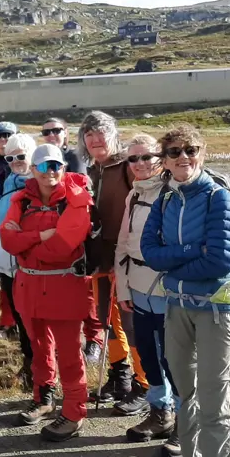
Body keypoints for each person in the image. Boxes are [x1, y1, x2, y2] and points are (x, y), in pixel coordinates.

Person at [142, 125, 230, 457]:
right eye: (174, 152)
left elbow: (221, 259)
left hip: (216, 311)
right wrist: (187, 254)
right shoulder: (165, 200)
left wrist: (176, 268)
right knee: (186, 390)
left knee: (214, 399)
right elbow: (151, 252)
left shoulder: (220, 198)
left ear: (201, 154)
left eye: (190, 150)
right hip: (178, 307)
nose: (183, 158)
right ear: (164, 160)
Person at [0, 145, 94, 441]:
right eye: (43, 166)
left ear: (64, 167)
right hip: (29, 288)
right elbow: (6, 240)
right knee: (39, 348)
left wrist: (25, 244)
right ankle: (44, 398)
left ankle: (73, 413)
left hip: (64, 287)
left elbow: (63, 245)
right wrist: (39, 236)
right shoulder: (21, 199)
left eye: (55, 165)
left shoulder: (76, 198)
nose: (50, 171)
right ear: (33, 169)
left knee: (68, 354)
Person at [78, 110, 149, 416]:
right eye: (89, 135)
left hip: (129, 259)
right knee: (109, 320)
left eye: (101, 133)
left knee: (132, 322)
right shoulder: (91, 171)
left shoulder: (127, 167)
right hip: (101, 259)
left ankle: (145, 383)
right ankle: (120, 375)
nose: (95, 139)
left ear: (113, 134)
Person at [114, 134, 178, 447]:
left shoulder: (174, 191)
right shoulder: (134, 194)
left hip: (167, 289)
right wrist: (123, 287)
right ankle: (160, 412)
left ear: (160, 157)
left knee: (174, 358)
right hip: (139, 287)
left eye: (146, 157)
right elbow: (124, 244)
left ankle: (185, 423)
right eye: (133, 159)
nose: (139, 164)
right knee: (149, 356)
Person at [0, 132, 36, 386]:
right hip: (7, 267)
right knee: (19, 317)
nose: (15, 161)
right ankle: (29, 365)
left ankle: (41, 369)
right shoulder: (4, 184)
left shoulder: (40, 185)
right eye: (10, 157)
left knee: (35, 319)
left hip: (34, 268)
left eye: (21, 156)